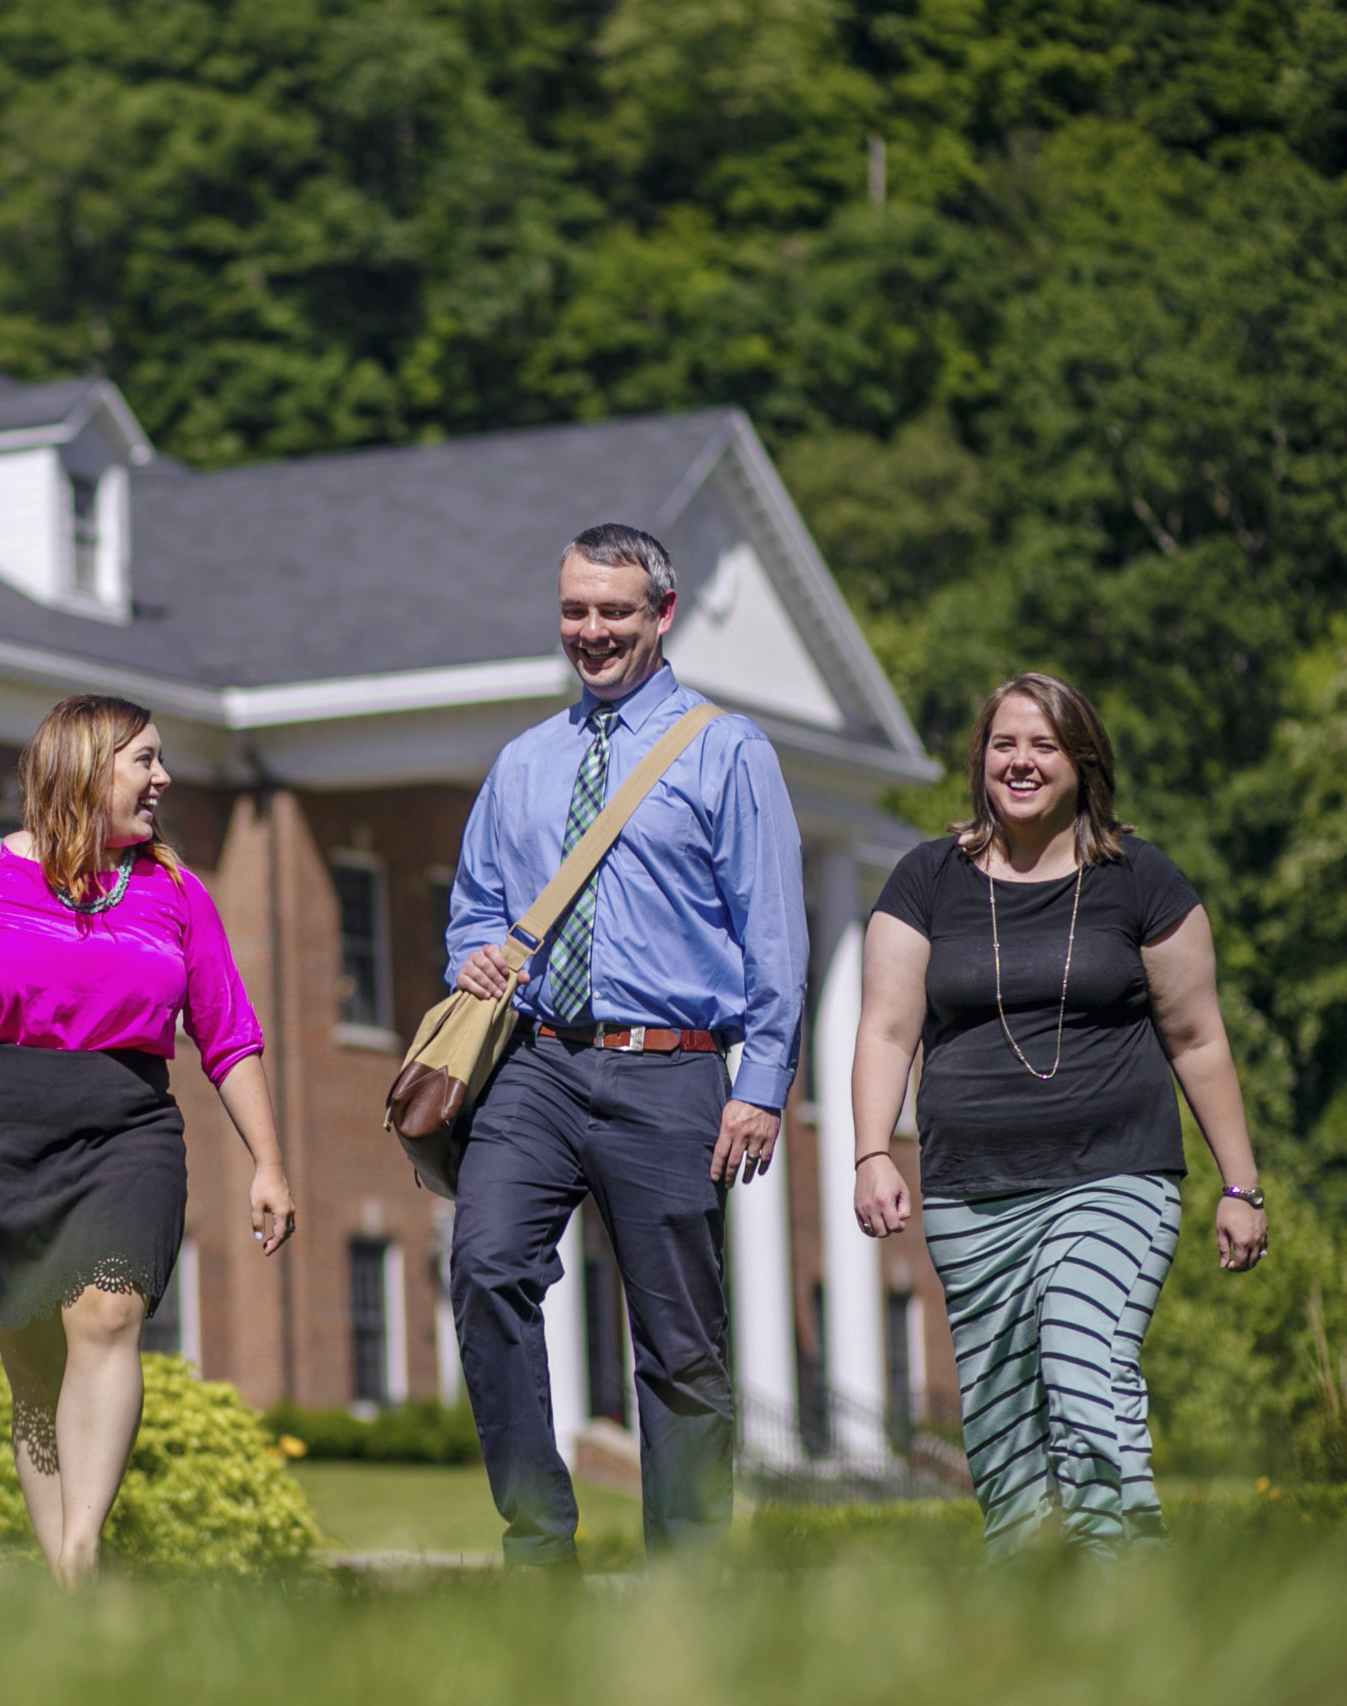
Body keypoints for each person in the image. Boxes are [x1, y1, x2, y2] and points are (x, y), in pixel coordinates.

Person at [0, 694, 295, 1585]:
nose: (163, 778)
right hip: (5, 1128)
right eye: (145, 761)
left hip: (126, 1124)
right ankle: (67, 1588)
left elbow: (230, 1033)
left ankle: (82, 1553)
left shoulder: (175, 890)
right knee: (35, 1373)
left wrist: (269, 1164)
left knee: (107, 1313)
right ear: (86, 769)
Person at [443, 522, 808, 1568]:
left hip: (674, 1064)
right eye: (574, 610)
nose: (590, 631)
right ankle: (536, 1541)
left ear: (662, 612)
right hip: (537, 1064)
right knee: (485, 1265)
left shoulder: (726, 750)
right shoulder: (522, 761)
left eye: (613, 610)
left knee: (679, 1337)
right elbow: (473, 909)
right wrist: (470, 958)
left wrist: (764, 1083)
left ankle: (688, 1570)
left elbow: (774, 931)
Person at [851, 672, 1266, 1559]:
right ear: (980, 760)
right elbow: (887, 1029)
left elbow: (1197, 1038)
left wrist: (1242, 1185)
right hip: (974, 1196)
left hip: (1115, 1173)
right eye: (1004, 744)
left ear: (1082, 762)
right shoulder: (927, 879)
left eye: (1043, 745)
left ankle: (1129, 1591)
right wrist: (871, 1153)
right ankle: (1038, 1630)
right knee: (1003, 1439)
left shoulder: (1139, 878)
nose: (1022, 762)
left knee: (1085, 1360)